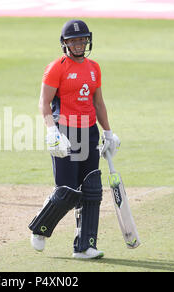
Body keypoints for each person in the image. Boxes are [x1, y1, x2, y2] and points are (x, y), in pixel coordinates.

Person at [28, 19, 120, 259]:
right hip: (66, 132)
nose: (78, 44)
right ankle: (40, 228)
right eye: (73, 40)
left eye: (82, 39)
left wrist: (108, 132)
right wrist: (52, 131)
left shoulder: (94, 68)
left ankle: (85, 246)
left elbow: (98, 103)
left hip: (89, 132)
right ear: (65, 43)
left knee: (91, 189)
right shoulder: (56, 67)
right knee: (68, 191)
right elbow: (44, 103)